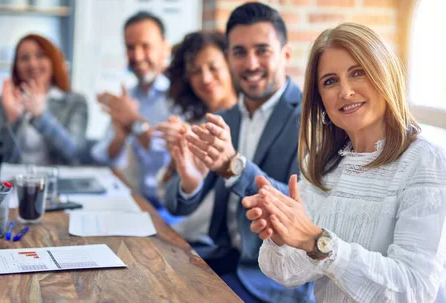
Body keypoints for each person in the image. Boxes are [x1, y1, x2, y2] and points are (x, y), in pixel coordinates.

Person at [243, 23, 446, 303]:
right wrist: (281, 235)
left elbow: (415, 290)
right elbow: (287, 274)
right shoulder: (324, 165)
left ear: (383, 74)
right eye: (330, 81)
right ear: (320, 100)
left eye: (357, 72)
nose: (345, 91)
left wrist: (318, 243)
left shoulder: (427, 163)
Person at [163, 3, 314, 302]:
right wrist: (190, 183)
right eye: (239, 52)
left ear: (285, 55)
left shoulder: (311, 120)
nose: (250, 63)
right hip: (221, 260)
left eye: (262, 50)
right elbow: (176, 205)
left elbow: (304, 209)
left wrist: (234, 166)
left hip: (271, 280)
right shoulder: (227, 117)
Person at [156, 30, 237, 242]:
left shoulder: (248, 121)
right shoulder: (193, 125)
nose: (206, 78)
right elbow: (166, 196)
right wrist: (177, 157)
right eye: (195, 71)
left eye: (213, 67)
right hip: (184, 234)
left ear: (230, 64)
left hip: (213, 243)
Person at [88, 11, 172, 209]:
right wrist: (120, 136)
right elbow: (104, 156)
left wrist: (135, 122)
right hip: (133, 201)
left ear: (165, 48)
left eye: (146, 46)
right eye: (130, 47)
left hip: (168, 209)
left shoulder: (179, 97)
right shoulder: (129, 96)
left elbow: (166, 161)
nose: (137, 55)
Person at [0, 34, 88, 165]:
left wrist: (40, 116)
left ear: (53, 61)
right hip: (15, 180)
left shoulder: (75, 101)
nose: (32, 64)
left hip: (58, 182)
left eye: (40, 55)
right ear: (16, 66)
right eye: (24, 58)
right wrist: (13, 121)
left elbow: (74, 152)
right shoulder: (8, 99)